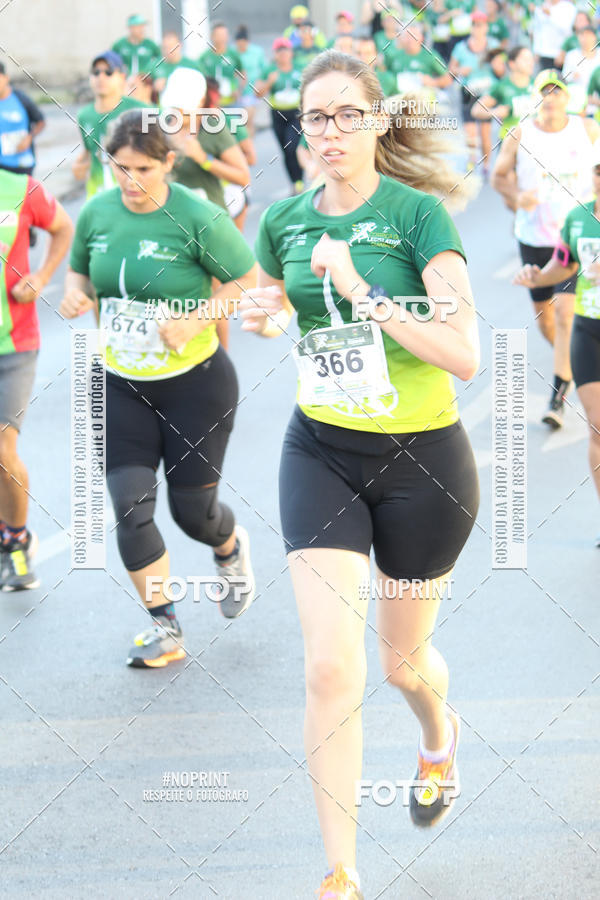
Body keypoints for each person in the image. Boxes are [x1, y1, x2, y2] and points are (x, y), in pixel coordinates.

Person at [241, 50, 480, 899]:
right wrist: (266, 314)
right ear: (299, 129)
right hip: (323, 452)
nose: (330, 132)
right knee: (330, 669)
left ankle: (438, 736)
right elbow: (275, 303)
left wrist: (368, 294)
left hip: (425, 465)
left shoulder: (419, 219)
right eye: (316, 117)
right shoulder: (285, 220)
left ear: (378, 122)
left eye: (348, 115)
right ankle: (340, 871)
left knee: (401, 667)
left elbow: (464, 355)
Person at [60, 109, 257, 667]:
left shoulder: (197, 214)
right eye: (118, 167)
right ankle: (165, 627)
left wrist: (196, 319)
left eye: (142, 168)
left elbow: (244, 281)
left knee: (192, 514)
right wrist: (75, 295)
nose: (129, 181)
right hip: (121, 383)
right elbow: (79, 271)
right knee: (130, 506)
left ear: (169, 162)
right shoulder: (97, 211)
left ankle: (229, 546)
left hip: (195, 385)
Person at [492, 69, 599, 428]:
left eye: (557, 92)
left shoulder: (585, 129)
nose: (550, 98)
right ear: (535, 97)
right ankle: (568, 362)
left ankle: (558, 394)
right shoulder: (520, 134)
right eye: (544, 92)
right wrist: (515, 196)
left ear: (568, 98)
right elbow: (498, 175)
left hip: (572, 239)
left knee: (567, 314)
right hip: (534, 239)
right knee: (548, 319)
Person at [514, 150, 600, 542]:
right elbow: (562, 267)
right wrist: (536, 277)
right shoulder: (579, 219)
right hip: (590, 331)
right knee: (597, 430)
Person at [0, 171, 73, 590]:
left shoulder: (18, 187)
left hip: (13, 341)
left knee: (2, 447)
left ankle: (15, 539)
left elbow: (63, 226)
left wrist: (43, 275)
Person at [73, 51, 148, 198]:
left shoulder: (140, 110)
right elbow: (89, 151)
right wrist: (79, 167)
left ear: (121, 77)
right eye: (96, 72)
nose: (101, 77)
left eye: (108, 72)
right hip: (97, 196)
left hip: (131, 195)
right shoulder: (84, 115)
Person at [450, 11, 496, 173]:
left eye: (481, 25)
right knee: (470, 132)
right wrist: (461, 70)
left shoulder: (493, 46)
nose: (477, 29)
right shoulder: (461, 47)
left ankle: (486, 164)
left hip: (487, 93)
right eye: (475, 25)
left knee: (485, 132)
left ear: (486, 27)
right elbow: (451, 69)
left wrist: (493, 64)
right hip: (468, 92)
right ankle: (472, 160)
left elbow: (501, 69)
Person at [256, 38, 304, 194]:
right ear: (275, 54)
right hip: (277, 114)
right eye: (279, 51)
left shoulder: (299, 68)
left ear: (291, 53)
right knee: (285, 150)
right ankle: (294, 181)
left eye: (286, 50)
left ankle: (299, 181)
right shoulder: (270, 70)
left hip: (296, 114)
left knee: (292, 147)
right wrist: (269, 82)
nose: (283, 54)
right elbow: (258, 93)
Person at [472, 45, 535, 139]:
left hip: (532, 140)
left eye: (531, 59)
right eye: (525, 59)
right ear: (512, 63)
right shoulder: (502, 86)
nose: (530, 63)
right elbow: (476, 111)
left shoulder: (538, 84)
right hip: (508, 140)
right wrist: (495, 112)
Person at [0, 61, 45, 177]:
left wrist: (29, 138)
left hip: (23, 165)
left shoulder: (21, 99)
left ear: (6, 78)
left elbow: (41, 122)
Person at [386, 22, 452, 93]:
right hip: (398, 99)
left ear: (421, 37)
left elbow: (448, 79)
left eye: (414, 36)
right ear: (402, 39)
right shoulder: (394, 55)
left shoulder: (430, 55)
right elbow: (384, 75)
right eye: (407, 36)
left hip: (421, 99)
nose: (411, 39)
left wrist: (433, 82)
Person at [198, 22, 245, 108]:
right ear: (212, 36)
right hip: (212, 104)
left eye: (224, 35)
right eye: (219, 35)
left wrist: (238, 90)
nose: (222, 38)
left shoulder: (233, 55)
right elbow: (199, 78)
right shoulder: (204, 57)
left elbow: (243, 74)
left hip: (232, 102)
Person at [234, 25, 267, 137]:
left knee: (248, 120)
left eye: (243, 44)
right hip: (236, 93)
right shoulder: (233, 53)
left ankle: (249, 146)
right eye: (239, 44)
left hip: (251, 92)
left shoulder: (257, 52)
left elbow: (265, 70)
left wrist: (261, 85)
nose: (241, 47)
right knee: (236, 124)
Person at [561, 24, 600, 114]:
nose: (585, 39)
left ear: (595, 37)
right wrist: (572, 76)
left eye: (588, 35)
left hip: (596, 104)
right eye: (582, 35)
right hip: (577, 105)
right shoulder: (571, 55)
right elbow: (564, 78)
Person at [532, 0, 577, 70]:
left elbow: (567, 30)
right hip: (544, 53)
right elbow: (537, 30)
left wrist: (550, 15)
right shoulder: (542, 6)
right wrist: (536, 50)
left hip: (561, 54)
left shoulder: (569, 7)